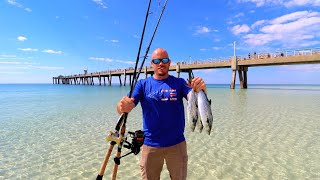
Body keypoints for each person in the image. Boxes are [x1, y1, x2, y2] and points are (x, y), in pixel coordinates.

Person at [116, 48, 207, 180]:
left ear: (169, 63)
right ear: (151, 64)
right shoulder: (142, 84)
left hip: (177, 145)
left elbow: (193, 98)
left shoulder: (179, 83)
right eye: (157, 61)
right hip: (150, 145)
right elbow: (127, 104)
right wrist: (122, 107)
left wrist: (201, 90)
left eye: (164, 60)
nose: (161, 63)